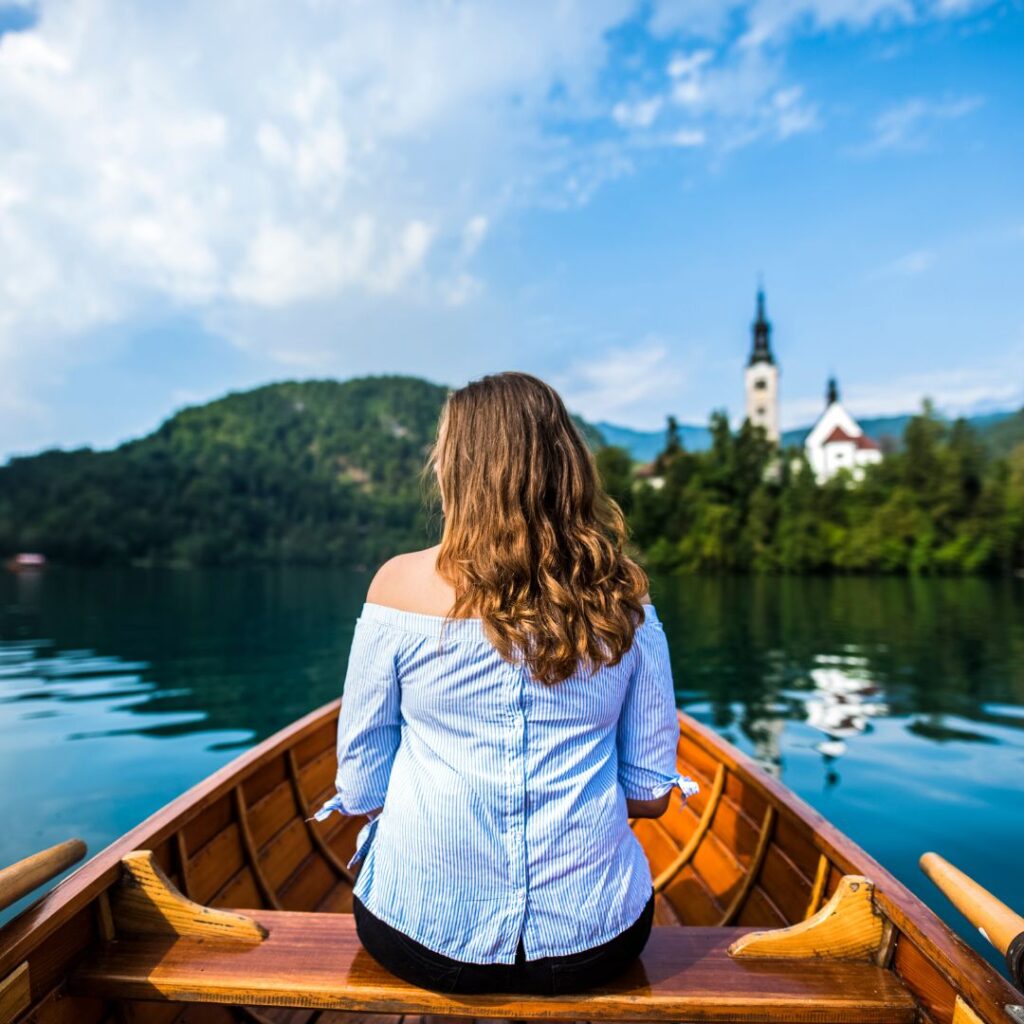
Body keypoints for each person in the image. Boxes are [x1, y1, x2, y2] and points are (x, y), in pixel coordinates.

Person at [314, 371, 697, 995]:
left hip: (420, 939)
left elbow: (360, 790)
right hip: (596, 942)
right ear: (565, 467)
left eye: (442, 450)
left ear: (459, 471)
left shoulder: (395, 587)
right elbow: (651, 795)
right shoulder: (623, 594)